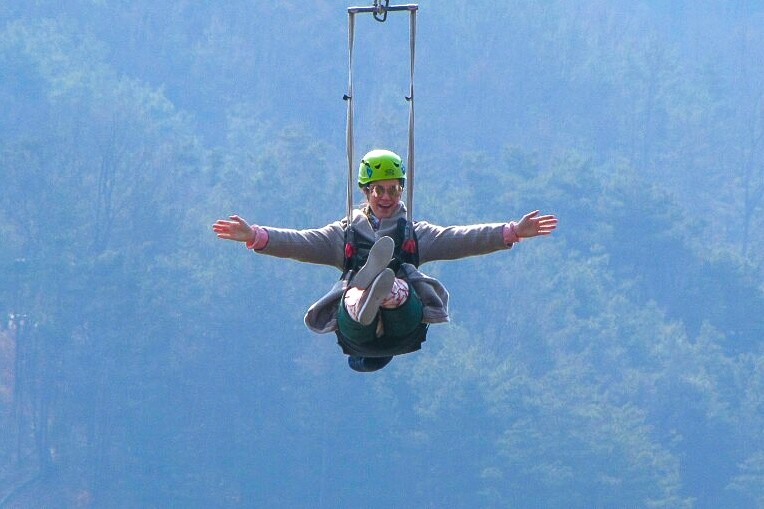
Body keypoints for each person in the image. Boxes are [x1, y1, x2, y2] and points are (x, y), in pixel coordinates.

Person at [212, 149, 557, 372]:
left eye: (392, 189)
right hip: (398, 323)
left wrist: (256, 236)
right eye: (379, 190)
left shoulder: (406, 233)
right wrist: (511, 231)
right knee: (398, 291)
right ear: (366, 192)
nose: (386, 197)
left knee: (356, 296)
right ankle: (379, 291)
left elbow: (458, 239)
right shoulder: (347, 235)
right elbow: (304, 243)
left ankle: (371, 293)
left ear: (401, 190)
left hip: (362, 327)